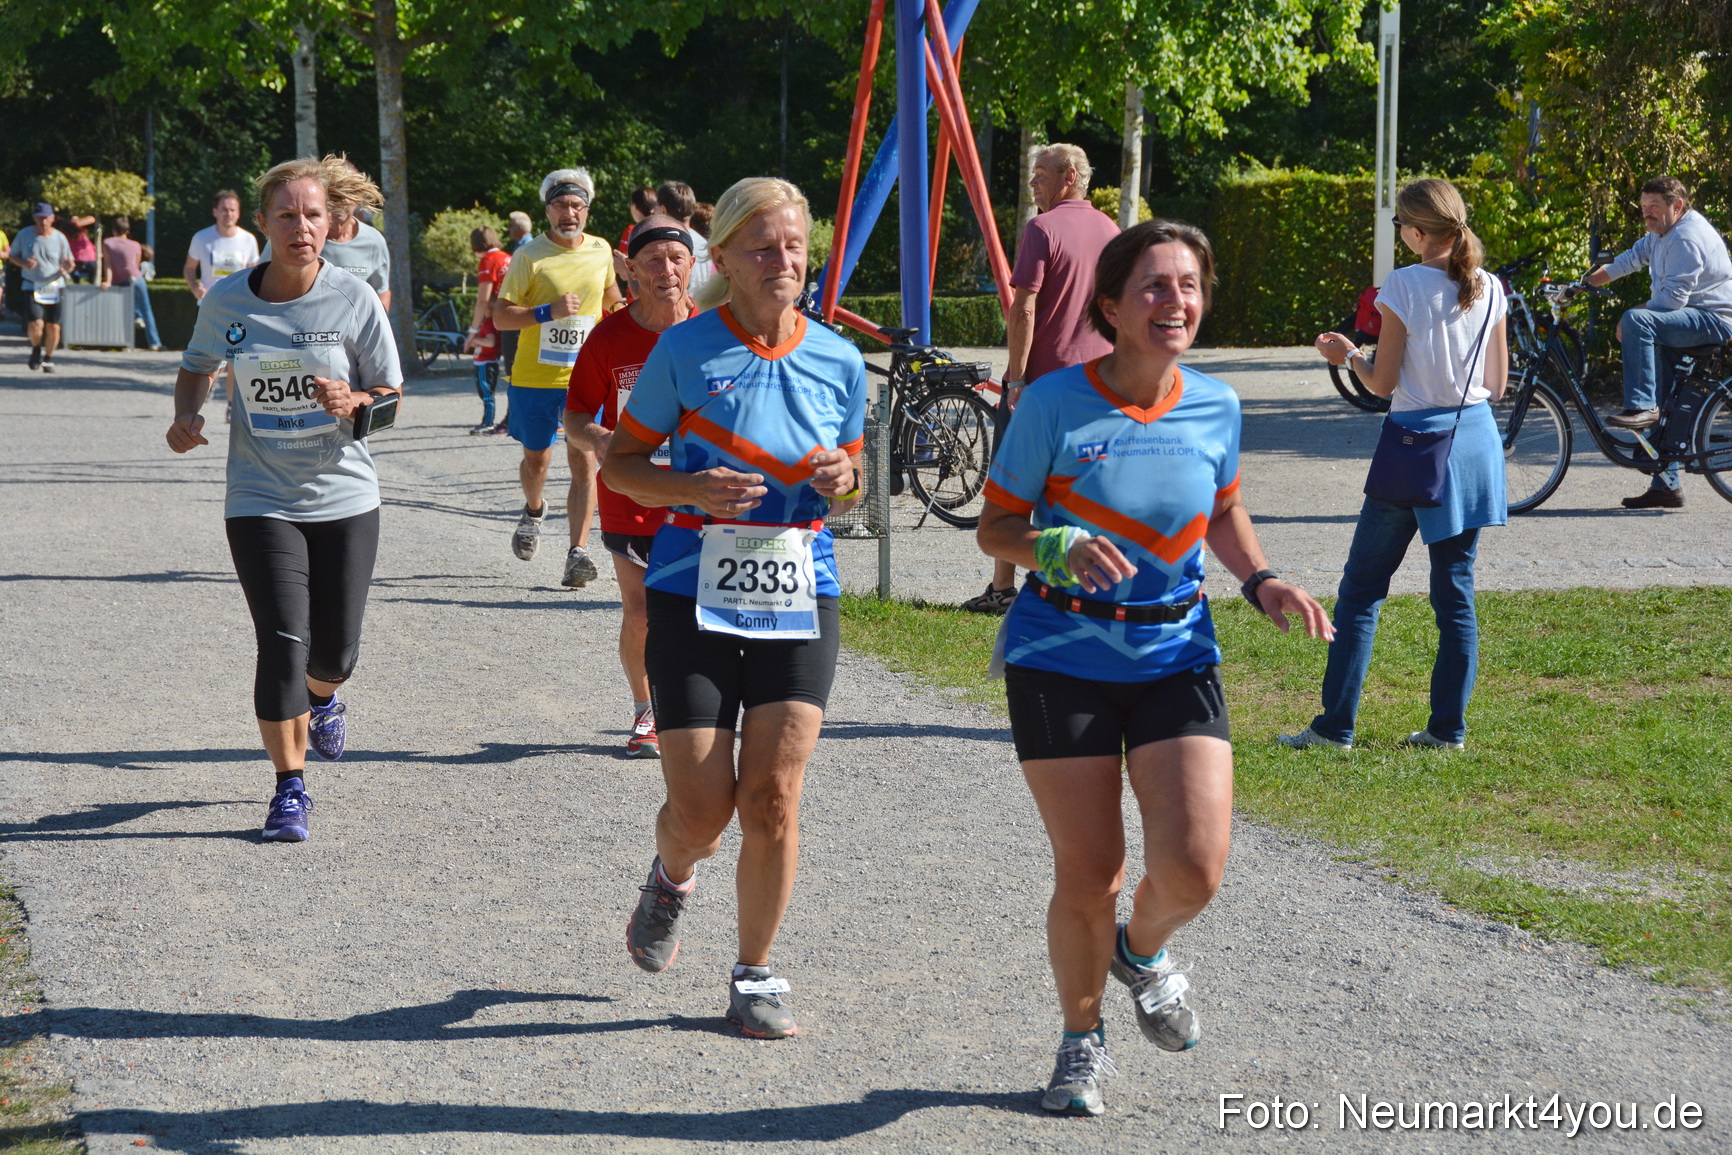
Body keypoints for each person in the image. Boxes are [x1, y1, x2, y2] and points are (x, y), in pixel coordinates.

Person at [979, 218, 1332, 1116]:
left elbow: (1223, 509)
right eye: (1154, 286)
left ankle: (1140, 951)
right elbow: (996, 528)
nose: (1175, 302)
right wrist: (1052, 541)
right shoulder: (1054, 403)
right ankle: (1080, 1040)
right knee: (1090, 869)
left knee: (1196, 866)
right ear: (1110, 306)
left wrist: (1263, 580)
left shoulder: (1215, 403)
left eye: (1188, 286)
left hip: (1176, 649)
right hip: (1061, 654)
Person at [601, 177, 865, 1039]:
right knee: (704, 809)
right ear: (724, 261)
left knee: (776, 795)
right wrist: (687, 486)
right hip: (690, 587)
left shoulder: (839, 358)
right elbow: (622, 466)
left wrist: (844, 480)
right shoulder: (685, 353)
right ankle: (672, 875)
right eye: (762, 247)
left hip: (800, 588)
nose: (783, 261)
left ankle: (756, 974)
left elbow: (853, 480)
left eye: (793, 246)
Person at [165, 155, 402, 843]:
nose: (303, 227)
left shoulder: (353, 298)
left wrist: (354, 401)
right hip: (260, 494)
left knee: (334, 654)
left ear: (333, 223)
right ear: (263, 223)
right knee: (281, 643)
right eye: (289, 215)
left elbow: (390, 401)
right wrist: (187, 417)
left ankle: (324, 700)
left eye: (314, 215)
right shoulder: (228, 300)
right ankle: (288, 788)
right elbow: (196, 368)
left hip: (344, 493)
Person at [1282, 178, 1508, 754]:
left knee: (1361, 590)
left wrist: (1348, 355)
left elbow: (1381, 383)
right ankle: (1446, 731)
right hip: (1474, 443)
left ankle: (1334, 728)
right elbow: (1497, 384)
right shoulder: (1490, 287)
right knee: (1455, 593)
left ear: (1413, 231)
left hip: (1414, 448)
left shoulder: (1403, 285)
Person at [965, 143, 1119, 614]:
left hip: (1044, 382)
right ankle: (1075, 580)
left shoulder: (1041, 228)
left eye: (1040, 175)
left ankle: (1006, 588)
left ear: (1068, 176)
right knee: (1082, 484)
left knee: (1013, 486)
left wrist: (1016, 380)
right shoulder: (1112, 230)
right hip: (1100, 382)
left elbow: (1024, 307)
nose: (1032, 183)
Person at [567, 215, 698, 758]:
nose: (666, 270)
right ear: (631, 269)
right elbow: (573, 415)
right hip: (631, 495)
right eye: (653, 260)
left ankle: (696, 710)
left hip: (699, 493)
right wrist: (598, 437)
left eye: (676, 258)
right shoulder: (610, 336)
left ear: (693, 265)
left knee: (699, 609)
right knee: (641, 611)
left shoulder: (715, 327)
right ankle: (647, 710)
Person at [492, 168, 622, 586]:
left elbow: (611, 300)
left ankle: (577, 552)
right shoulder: (529, 255)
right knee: (538, 459)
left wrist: (624, 319)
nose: (570, 213)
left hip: (584, 377)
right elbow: (499, 316)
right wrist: (546, 312)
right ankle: (533, 511)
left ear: (587, 209)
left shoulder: (601, 250)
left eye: (577, 205)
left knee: (585, 460)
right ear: (548, 209)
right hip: (533, 378)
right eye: (561, 205)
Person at [1584, 175, 1732, 509]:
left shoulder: (1687, 236)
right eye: (1643, 207)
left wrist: (1632, 315)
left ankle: (1641, 407)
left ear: (1676, 205)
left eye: (1654, 207)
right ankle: (1667, 485)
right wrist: (1585, 283)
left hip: (1711, 320)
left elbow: (1671, 303)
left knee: (1637, 320)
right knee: (1669, 400)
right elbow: (1629, 258)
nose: (1646, 213)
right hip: (1685, 319)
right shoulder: (1661, 233)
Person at [261, 165, 391, 312]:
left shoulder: (373, 240)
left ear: (359, 197)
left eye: (349, 193)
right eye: (335, 195)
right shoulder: (293, 240)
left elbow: (382, 291)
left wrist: (374, 324)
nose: (342, 201)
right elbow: (263, 284)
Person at [10, 203, 75, 373]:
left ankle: (48, 358)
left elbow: (70, 262)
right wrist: (23, 263)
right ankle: (36, 347)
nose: (43, 221)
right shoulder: (24, 235)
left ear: (52, 218)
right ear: (34, 218)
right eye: (40, 217)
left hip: (54, 285)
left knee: (53, 326)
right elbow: (12, 255)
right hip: (32, 284)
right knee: (36, 323)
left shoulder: (60, 238)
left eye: (46, 217)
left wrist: (67, 267)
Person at [464, 226, 511, 433]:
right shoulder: (507, 257)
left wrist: (473, 332)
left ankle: (507, 421)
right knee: (514, 371)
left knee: (510, 373)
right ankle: (511, 418)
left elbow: (483, 299)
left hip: (505, 317)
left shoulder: (488, 260)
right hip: (518, 315)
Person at [184, 189, 262, 302]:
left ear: (238, 213)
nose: (229, 214)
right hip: (208, 304)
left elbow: (254, 273)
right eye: (224, 210)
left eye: (232, 210)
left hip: (239, 305)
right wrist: (195, 289)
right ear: (215, 212)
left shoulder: (249, 239)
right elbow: (189, 268)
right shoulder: (201, 238)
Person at [101, 216, 163, 351]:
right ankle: (154, 342)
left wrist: (108, 281)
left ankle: (126, 341)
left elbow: (108, 265)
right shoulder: (136, 245)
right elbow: (135, 264)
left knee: (123, 312)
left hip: (121, 281)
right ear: (127, 230)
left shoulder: (107, 243)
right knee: (147, 310)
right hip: (137, 279)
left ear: (114, 230)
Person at [654, 181, 713, 294]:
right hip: (706, 310)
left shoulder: (667, 247)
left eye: (655, 208)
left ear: (663, 210)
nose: (653, 212)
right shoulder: (705, 244)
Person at [613, 186, 659, 298]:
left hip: (636, 296)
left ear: (634, 207)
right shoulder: (663, 229)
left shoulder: (631, 231)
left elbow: (623, 274)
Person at [64, 213, 98, 283]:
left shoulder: (81, 233)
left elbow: (92, 219)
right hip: (80, 258)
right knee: (75, 274)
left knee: (89, 278)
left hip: (86, 257)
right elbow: (91, 219)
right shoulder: (71, 226)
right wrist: (78, 221)